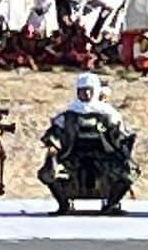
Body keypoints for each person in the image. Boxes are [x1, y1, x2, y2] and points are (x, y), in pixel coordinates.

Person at [38, 72, 137, 215]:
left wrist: (125, 147)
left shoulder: (109, 114)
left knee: (130, 172)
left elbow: (121, 136)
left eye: (89, 90)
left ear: (96, 91)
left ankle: (112, 204)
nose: (86, 93)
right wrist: (52, 149)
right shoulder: (68, 115)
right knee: (48, 172)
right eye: (82, 90)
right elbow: (54, 134)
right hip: (73, 158)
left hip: (105, 159)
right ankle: (64, 204)